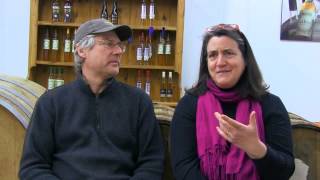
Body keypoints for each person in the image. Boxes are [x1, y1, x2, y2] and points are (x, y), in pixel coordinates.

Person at [19, 18, 164, 179]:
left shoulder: (139, 102)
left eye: (120, 45)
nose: (119, 51)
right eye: (109, 44)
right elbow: (32, 167)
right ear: (82, 50)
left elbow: (151, 163)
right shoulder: (51, 102)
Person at [170, 24, 295, 180]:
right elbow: (183, 167)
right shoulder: (189, 104)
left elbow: (285, 171)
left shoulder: (270, 104)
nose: (220, 62)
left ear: (245, 59)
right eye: (212, 55)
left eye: (228, 53)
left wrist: (257, 149)